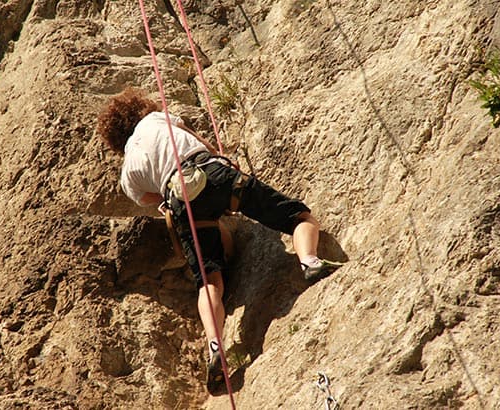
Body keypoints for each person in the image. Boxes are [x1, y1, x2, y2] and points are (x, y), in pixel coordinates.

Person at [96, 87, 342, 392]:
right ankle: (310, 261)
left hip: (179, 199)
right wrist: (218, 162)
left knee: (209, 281)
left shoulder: (127, 171)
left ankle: (216, 348)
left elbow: (149, 198)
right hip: (211, 172)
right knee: (298, 218)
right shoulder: (156, 119)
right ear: (138, 111)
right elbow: (201, 143)